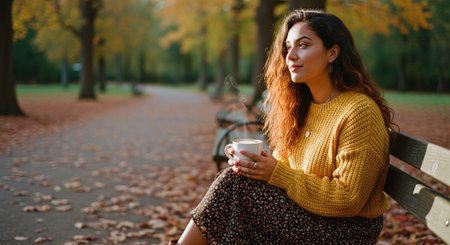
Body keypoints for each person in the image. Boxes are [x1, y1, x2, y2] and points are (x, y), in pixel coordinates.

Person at [171, 9, 396, 245]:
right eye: (288, 47)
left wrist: (276, 173)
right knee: (236, 182)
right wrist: (256, 165)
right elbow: (286, 165)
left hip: (346, 230)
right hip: (309, 215)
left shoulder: (358, 112)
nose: (291, 55)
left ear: (333, 53)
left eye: (303, 45)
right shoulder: (305, 106)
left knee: (232, 185)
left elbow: (349, 198)